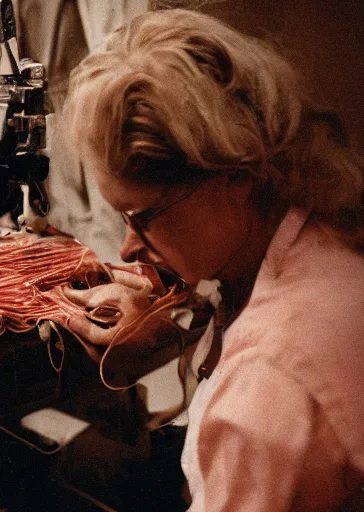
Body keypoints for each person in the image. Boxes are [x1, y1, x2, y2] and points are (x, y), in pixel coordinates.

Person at [61, 9, 364, 511]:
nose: (128, 249)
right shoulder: (328, 225)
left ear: (235, 177)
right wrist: (175, 335)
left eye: (143, 218)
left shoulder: (266, 387)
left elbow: (271, 376)